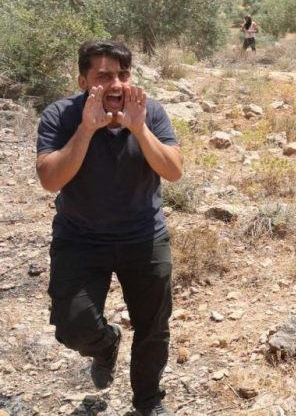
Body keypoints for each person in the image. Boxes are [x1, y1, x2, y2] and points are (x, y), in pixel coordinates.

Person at [36, 41, 182, 416]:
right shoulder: (60, 116)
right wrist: (87, 129)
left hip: (143, 236)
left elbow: (173, 171)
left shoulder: (149, 112)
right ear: (83, 81)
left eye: (123, 74)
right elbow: (50, 180)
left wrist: (139, 129)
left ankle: (148, 401)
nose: (116, 84)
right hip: (79, 238)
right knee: (73, 326)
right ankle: (105, 345)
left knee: (153, 326)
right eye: (103, 76)